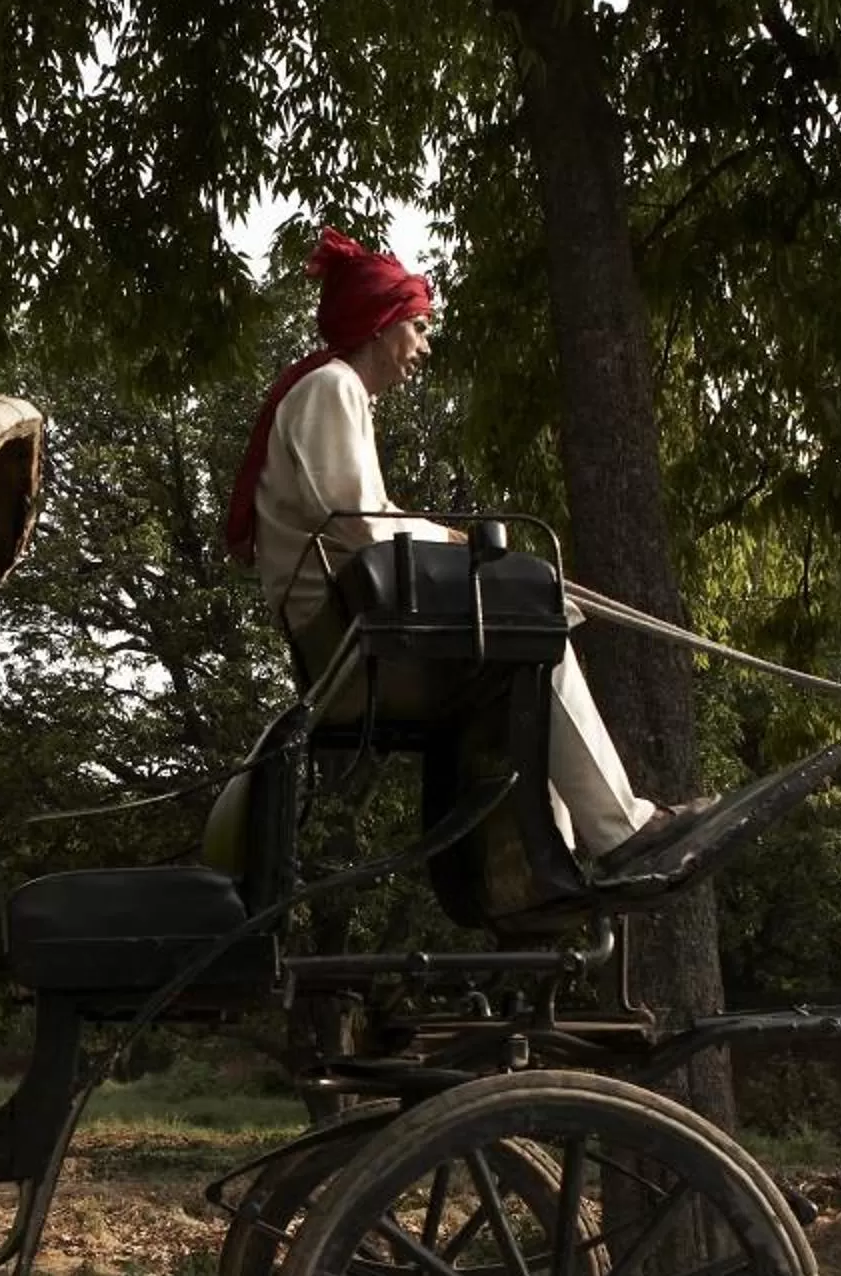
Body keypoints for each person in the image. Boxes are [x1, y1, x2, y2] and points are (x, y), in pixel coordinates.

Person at [224, 227, 711, 877]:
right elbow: (360, 526)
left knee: (526, 653)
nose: (423, 346)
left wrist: (441, 535)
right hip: (349, 636)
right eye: (418, 327)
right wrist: (450, 540)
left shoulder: (332, 391)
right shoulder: (332, 387)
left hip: (347, 630)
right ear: (382, 323)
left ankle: (553, 858)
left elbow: (365, 517)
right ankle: (620, 831)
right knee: (539, 633)